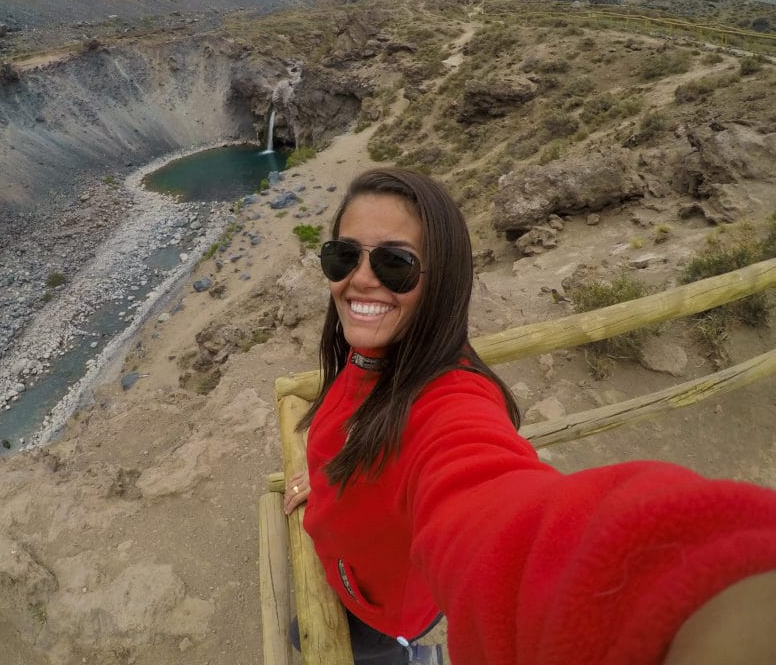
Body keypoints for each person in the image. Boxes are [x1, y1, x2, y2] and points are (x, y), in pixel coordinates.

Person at [282, 167, 776, 665]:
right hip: (351, 574)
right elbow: (359, 431)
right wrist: (325, 476)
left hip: (384, 608)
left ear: (442, 280)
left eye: (396, 263)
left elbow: (501, 515)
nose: (361, 279)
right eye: (343, 256)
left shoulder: (449, 399)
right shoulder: (372, 357)